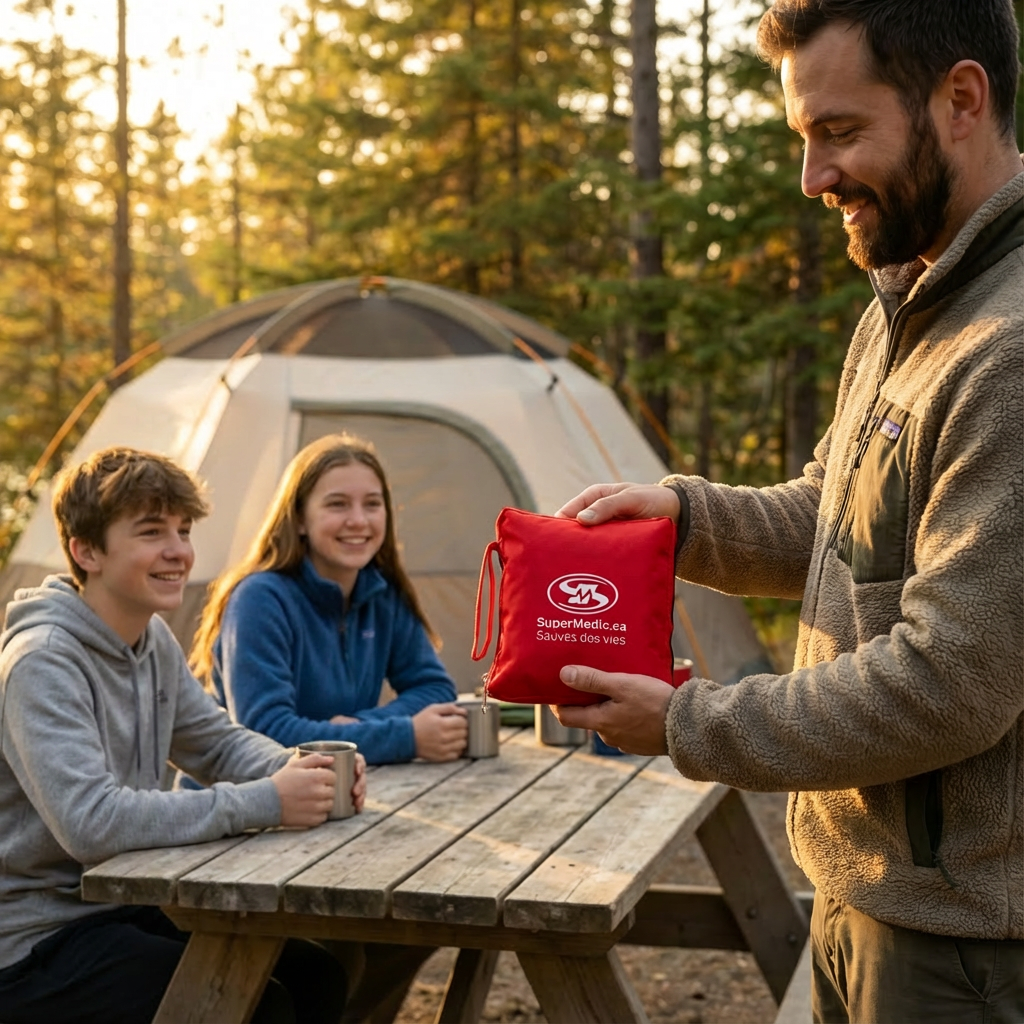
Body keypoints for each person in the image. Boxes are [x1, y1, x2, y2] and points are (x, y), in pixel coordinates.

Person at [552, 2, 1023, 1022]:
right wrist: (682, 518)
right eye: (801, 140)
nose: (812, 180)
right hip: (863, 907)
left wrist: (684, 720)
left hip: (969, 952)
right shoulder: (905, 295)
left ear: (960, 100)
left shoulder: (1010, 350)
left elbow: (948, 685)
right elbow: (838, 517)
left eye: (839, 133)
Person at [0, 447, 367, 1024]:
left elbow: (215, 744)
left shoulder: (150, 639)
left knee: (315, 975)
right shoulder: (41, 662)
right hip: (33, 940)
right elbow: (91, 824)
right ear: (85, 550)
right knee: (253, 1006)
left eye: (184, 530)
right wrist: (267, 800)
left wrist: (304, 768)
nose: (178, 551)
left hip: (118, 904)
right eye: (151, 532)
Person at [189, 433, 467, 764]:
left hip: (333, 793)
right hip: (239, 804)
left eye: (372, 504)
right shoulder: (259, 600)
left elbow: (434, 689)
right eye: (337, 504)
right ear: (300, 519)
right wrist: (404, 737)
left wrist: (362, 725)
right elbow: (265, 733)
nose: (358, 520)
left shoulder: (382, 594)